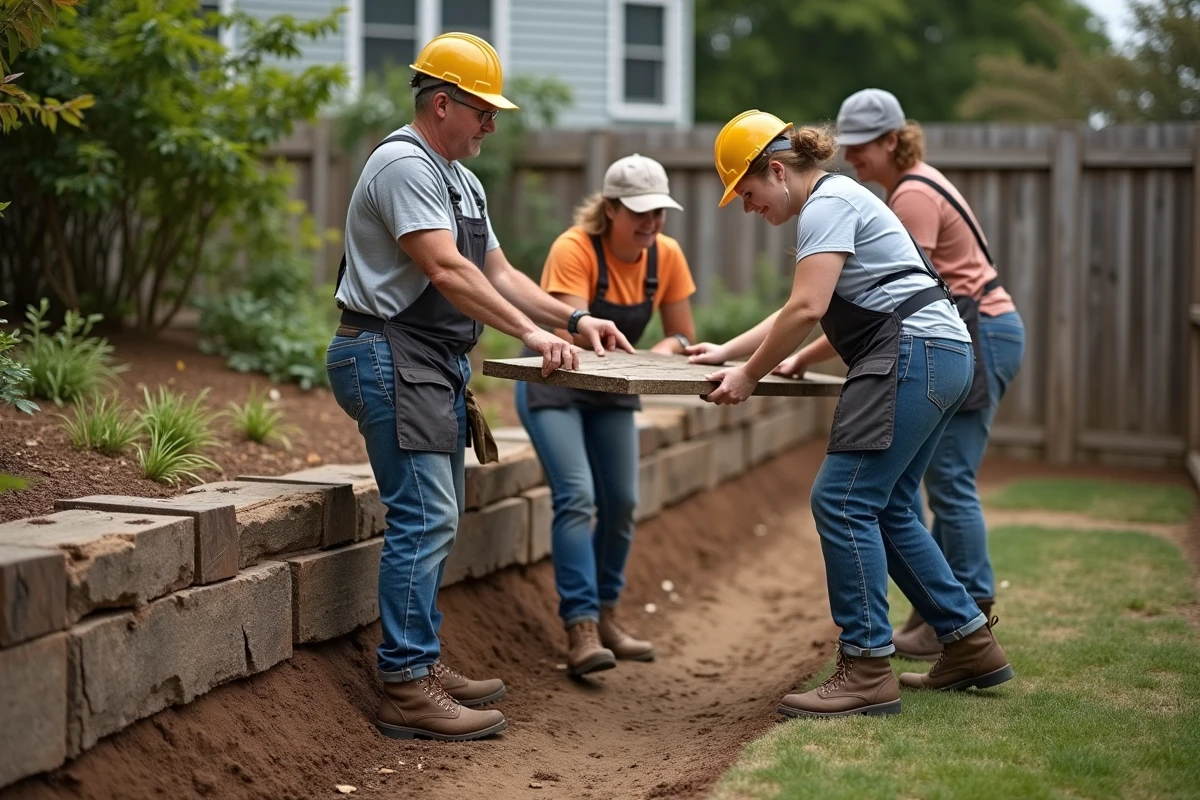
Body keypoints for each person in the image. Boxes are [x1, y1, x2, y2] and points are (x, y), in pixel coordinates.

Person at [327, 32, 632, 742]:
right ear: (442, 104)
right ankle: (406, 684)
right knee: (424, 516)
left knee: (438, 516)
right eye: (483, 111)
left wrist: (574, 319)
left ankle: (422, 662)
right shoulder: (403, 165)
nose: (491, 125)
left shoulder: (461, 180)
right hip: (387, 353)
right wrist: (529, 334)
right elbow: (446, 270)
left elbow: (499, 273)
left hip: (428, 362)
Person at [689, 110, 1014, 717]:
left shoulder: (828, 205)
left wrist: (748, 375)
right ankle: (970, 642)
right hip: (942, 353)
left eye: (747, 192)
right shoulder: (837, 200)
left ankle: (865, 669)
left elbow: (806, 307)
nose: (747, 207)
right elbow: (802, 304)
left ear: (777, 170)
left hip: (911, 354)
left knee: (841, 500)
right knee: (886, 506)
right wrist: (728, 351)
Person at [770, 89, 1026, 660]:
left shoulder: (902, 196)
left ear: (892, 140)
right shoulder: (887, 191)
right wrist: (775, 354)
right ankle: (961, 631)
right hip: (956, 337)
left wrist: (768, 365)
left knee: (919, 486)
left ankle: (946, 621)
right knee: (893, 499)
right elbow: (853, 298)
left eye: (863, 146)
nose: (853, 156)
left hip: (962, 332)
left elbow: (889, 301)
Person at [515, 155, 697, 677]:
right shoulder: (574, 248)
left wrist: (663, 351)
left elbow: (683, 332)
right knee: (577, 496)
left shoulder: (666, 256)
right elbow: (571, 333)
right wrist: (640, 356)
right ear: (611, 208)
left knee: (621, 502)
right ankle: (581, 627)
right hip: (557, 380)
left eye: (659, 212)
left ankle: (607, 614)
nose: (652, 223)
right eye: (640, 212)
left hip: (615, 386)